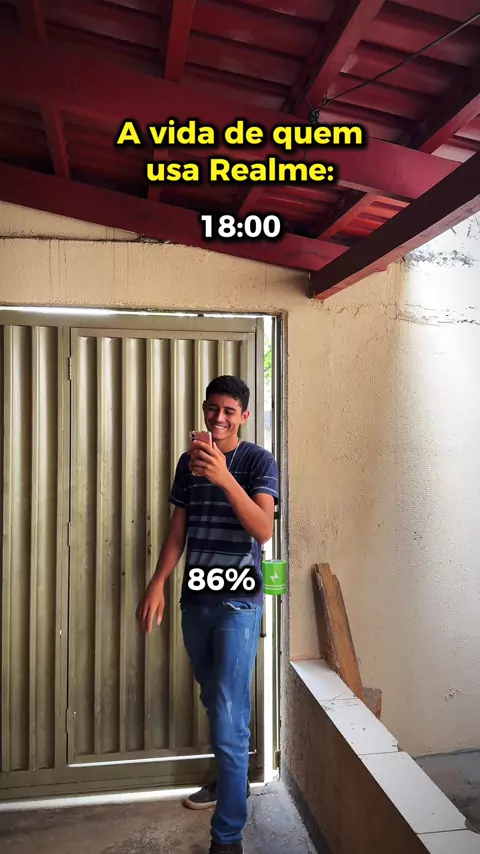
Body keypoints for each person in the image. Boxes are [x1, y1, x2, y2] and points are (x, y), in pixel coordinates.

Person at [136, 375, 278, 854]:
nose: (219, 418)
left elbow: (262, 529)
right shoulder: (188, 461)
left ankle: (228, 836)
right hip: (196, 598)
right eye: (212, 409)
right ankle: (230, 779)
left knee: (228, 712)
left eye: (229, 411)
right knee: (217, 701)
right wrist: (158, 582)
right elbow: (179, 529)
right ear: (204, 410)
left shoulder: (258, 461)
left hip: (239, 601)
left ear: (244, 417)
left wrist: (224, 477)